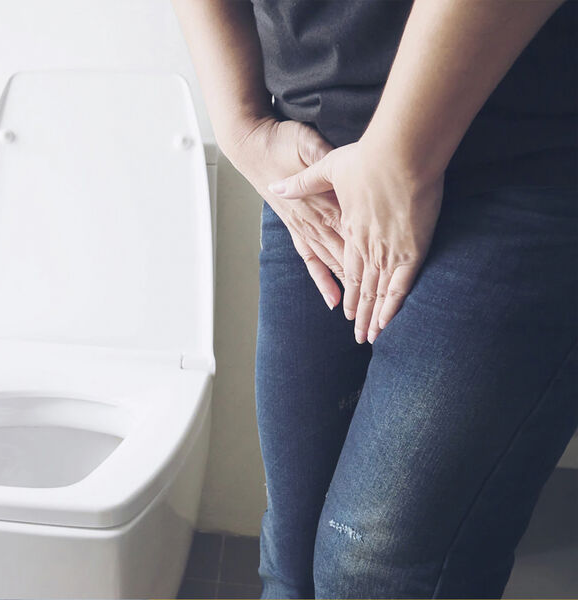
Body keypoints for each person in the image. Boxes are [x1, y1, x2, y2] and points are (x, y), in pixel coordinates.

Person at [173, 1, 578, 598]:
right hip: (318, 176)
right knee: (292, 556)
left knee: (370, 572)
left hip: (523, 163)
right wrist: (241, 129)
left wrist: (401, 155)